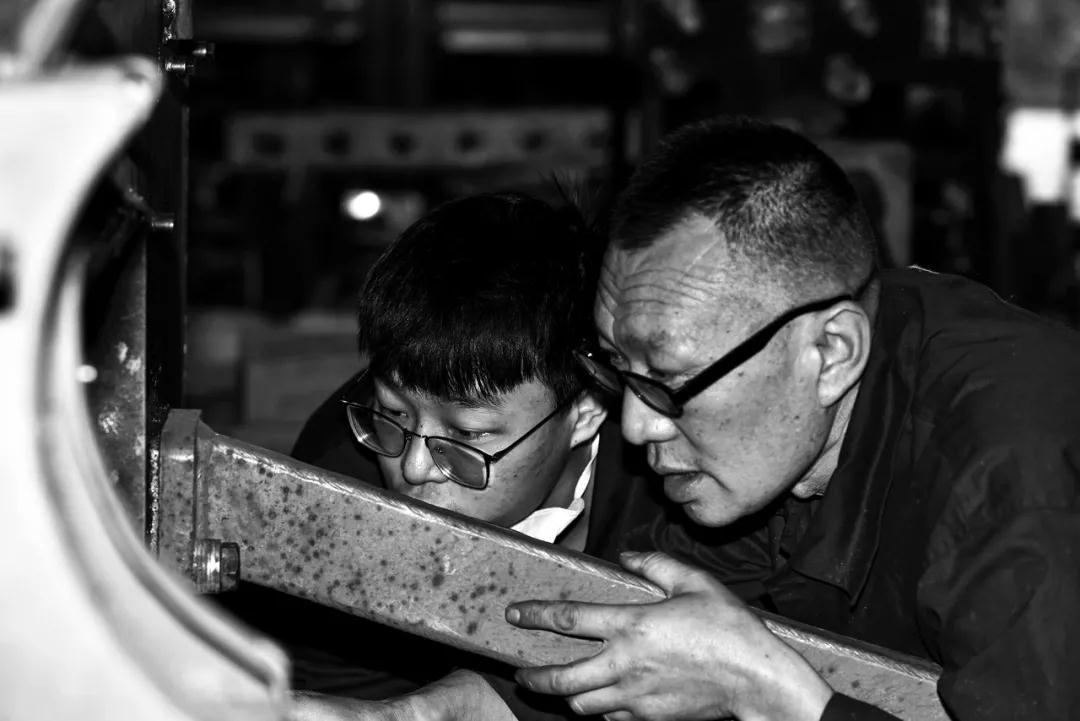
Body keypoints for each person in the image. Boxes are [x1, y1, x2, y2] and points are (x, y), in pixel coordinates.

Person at [505, 115, 1080, 720]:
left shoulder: (1016, 485)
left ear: (832, 353)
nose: (635, 425)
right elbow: (637, 642)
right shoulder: (755, 426)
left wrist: (768, 693)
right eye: (618, 366)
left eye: (668, 378)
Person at [259, 191, 666, 720]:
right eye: (394, 412)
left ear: (587, 408)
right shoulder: (336, 475)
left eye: (468, 433)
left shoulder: (669, 482)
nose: (413, 467)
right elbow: (346, 690)